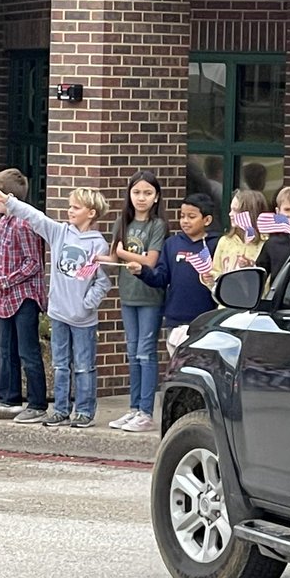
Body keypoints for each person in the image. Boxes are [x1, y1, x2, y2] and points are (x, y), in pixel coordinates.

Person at [0, 184, 112, 428]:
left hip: (83, 318)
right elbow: (35, 216)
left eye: (76, 207)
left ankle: (84, 411)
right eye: (70, 206)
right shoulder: (59, 233)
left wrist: (87, 303)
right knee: (60, 365)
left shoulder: (98, 244)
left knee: (84, 366)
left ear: (91, 213)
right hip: (58, 313)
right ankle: (61, 410)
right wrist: (9, 200)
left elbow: (102, 281)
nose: (70, 211)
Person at [0, 168, 48, 423]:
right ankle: (8, 398)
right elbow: (2, 259)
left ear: (8, 197)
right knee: (5, 348)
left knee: (27, 350)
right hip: (5, 296)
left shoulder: (24, 224)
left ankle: (37, 402)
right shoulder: (3, 223)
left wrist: (3, 281)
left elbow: (33, 263)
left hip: (24, 297)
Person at [108, 170, 168, 433]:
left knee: (146, 352)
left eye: (147, 193)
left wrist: (123, 253)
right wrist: (94, 259)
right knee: (132, 353)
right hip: (127, 295)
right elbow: (113, 258)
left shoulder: (157, 225)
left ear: (156, 197)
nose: (141, 198)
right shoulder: (122, 222)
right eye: (136, 192)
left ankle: (146, 411)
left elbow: (151, 260)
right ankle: (133, 409)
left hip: (150, 297)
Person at [128, 193, 219, 360]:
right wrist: (143, 271)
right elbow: (161, 277)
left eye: (191, 217)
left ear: (207, 220)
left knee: (203, 364)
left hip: (207, 318)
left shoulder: (217, 244)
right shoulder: (172, 244)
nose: (185, 221)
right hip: (177, 318)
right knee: (178, 364)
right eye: (182, 216)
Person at [256, 186, 290, 284]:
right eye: (287, 209)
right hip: (279, 292)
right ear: (278, 212)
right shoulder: (271, 243)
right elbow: (259, 277)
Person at [210, 189, 267, 282]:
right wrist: (209, 278)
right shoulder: (224, 241)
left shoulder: (265, 243)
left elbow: (268, 279)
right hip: (228, 291)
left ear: (250, 213)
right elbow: (216, 272)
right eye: (231, 209)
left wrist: (250, 267)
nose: (230, 214)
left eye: (236, 210)